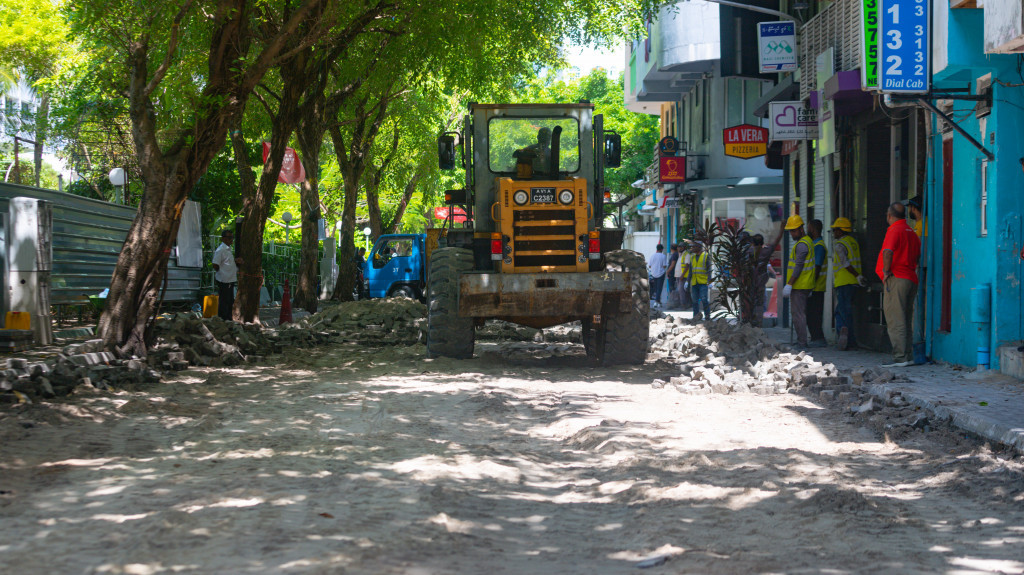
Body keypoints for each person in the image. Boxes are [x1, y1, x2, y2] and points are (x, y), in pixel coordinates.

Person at [876, 202, 921, 367]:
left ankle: (900, 357)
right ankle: (907, 355)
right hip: (910, 278)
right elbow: (917, 256)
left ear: (889, 216)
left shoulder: (894, 230)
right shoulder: (911, 232)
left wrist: (886, 271)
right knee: (906, 318)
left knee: (896, 319)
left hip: (897, 278)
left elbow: (888, 252)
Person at [829, 217, 866, 350]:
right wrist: (858, 277)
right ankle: (844, 336)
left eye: (835, 230)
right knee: (841, 311)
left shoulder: (840, 245)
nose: (834, 232)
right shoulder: (853, 242)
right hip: (854, 283)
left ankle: (848, 340)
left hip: (844, 282)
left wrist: (857, 275)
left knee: (844, 312)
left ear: (841, 231)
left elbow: (845, 263)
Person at [781, 215, 813, 348]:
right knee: (799, 314)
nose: (792, 234)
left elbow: (798, 266)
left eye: (794, 230)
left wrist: (789, 284)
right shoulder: (806, 242)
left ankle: (802, 343)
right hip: (803, 284)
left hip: (800, 285)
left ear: (801, 229)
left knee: (798, 315)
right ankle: (801, 341)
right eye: (790, 231)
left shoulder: (802, 245)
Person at [750, 227, 783, 326]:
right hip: (761, 282)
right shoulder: (766, 251)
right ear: (762, 243)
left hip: (750, 282)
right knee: (760, 303)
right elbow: (776, 241)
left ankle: (751, 323)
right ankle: (759, 323)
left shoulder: (749, 252)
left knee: (751, 302)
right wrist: (782, 228)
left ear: (752, 243)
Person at [212, 229, 243, 321]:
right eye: (229, 237)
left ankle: (228, 318)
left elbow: (227, 262)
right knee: (224, 301)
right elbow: (215, 264)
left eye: (232, 238)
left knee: (229, 300)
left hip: (230, 279)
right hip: (224, 279)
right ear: (223, 238)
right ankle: (223, 318)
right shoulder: (221, 250)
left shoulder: (228, 249)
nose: (231, 240)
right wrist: (222, 272)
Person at [807, 219, 828, 347]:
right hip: (815, 286)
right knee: (811, 313)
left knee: (814, 314)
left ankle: (818, 339)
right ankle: (816, 338)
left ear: (813, 229)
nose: (807, 230)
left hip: (816, 287)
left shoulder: (819, 246)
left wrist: (811, 285)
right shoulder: (815, 244)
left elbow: (817, 267)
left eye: (808, 228)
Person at [686, 241, 711, 321]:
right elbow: (690, 271)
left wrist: (710, 281)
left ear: (698, 247)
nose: (692, 248)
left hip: (703, 282)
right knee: (694, 301)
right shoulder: (692, 257)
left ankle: (707, 315)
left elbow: (709, 270)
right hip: (694, 282)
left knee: (704, 299)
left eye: (693, 247)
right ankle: (696, 316)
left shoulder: (705, 256)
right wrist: (687, 281)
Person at [648, 243, 667, 308]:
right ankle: (656, 302)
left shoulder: (652, 256)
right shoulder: (663, 256)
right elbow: (664, 266)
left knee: (656, 288)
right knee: (659, 288)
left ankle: (658, 301)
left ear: (657, 249)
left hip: (653, 273)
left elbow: (649, 266)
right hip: (661, 274)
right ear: (662, 249)